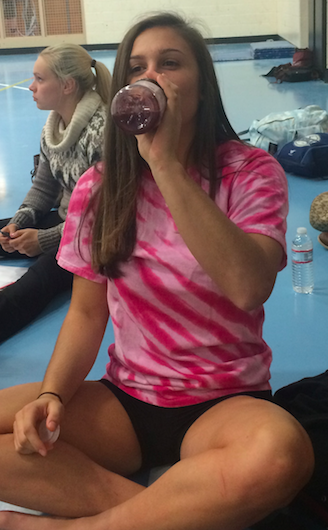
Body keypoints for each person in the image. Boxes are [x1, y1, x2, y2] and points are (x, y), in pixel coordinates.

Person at [0, 12, 314, 530]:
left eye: (170, 63)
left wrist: (165, 164)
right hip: (128, 401)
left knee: (281, 455)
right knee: (19, 423)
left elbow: (248, 287)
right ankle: (176, 511)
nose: (152, 78)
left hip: (225, 401)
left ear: (202, 83)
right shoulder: (101, 187)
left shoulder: (250, 172)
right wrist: (52, 395)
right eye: (138, 67)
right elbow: (84, 313)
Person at [0, 43, 111, 343]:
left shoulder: (103, 131)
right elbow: (44, 187)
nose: (32, 87)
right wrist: (20, 223)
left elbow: (104, 213)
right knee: (4, 232)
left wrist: (45, 240)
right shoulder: (53, 128)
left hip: (96, 237)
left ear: (67, 85)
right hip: (66, 224)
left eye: (39, 79)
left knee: (35, 284)